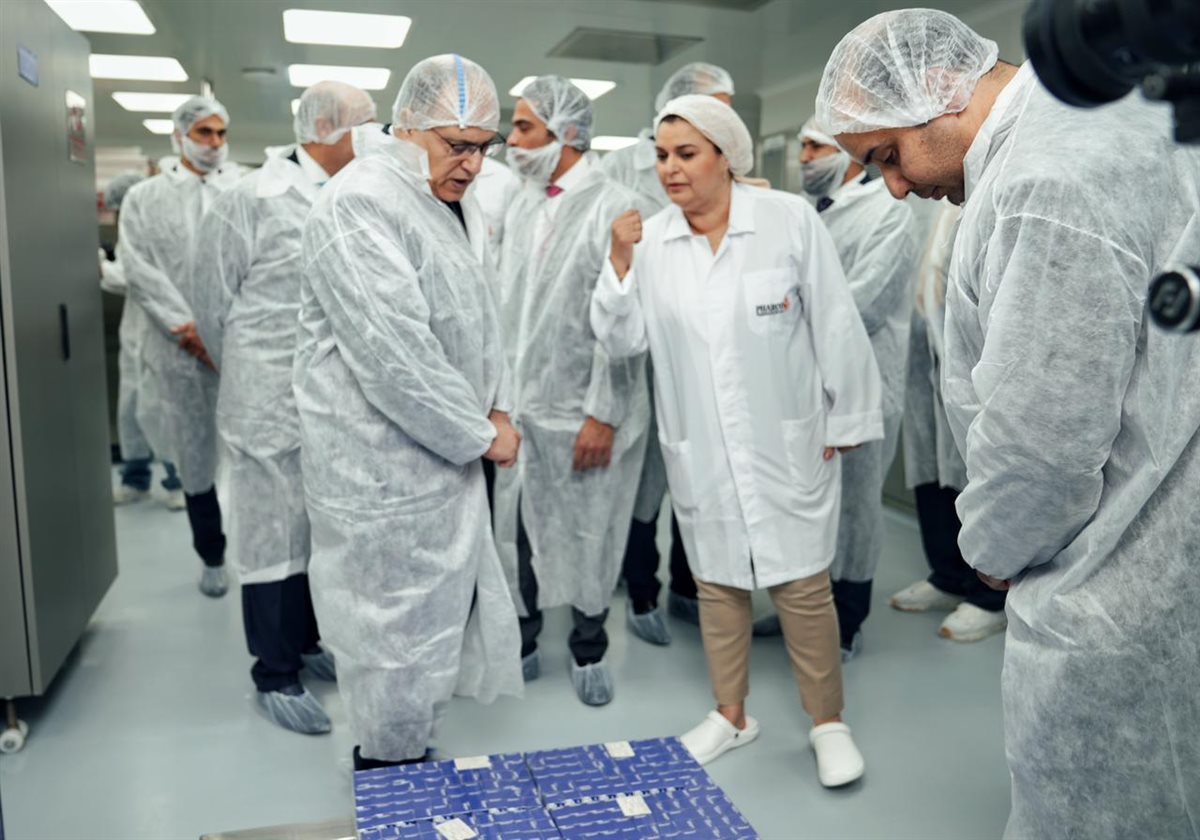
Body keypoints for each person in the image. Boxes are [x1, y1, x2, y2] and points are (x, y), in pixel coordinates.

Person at [817, 9, 1200, 837]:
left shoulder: (1041, 180)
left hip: (1111, 580)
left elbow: (1044, 442)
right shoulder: (1092, 130)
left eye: (888, 156)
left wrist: (993, 550)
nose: (894, 187)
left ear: (940, 89)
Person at [591, 95, 879, 788]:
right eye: (662, 156)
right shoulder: (653, 241)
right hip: (701, 445)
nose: (669, 169)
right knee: (717, 584)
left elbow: (835, 322)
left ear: (727, 157)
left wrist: (846, 418)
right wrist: (619, 261)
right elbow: (622, 340)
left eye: (686, 154)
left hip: (787, 437)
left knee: (802, 585)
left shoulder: (787, 220)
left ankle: (828, 722)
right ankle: (731, 715)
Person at [295, 54, 523, 770]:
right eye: (458, 145)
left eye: (483, 147)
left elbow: (480, 318)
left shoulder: (444, 199)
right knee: (389, 644)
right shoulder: (359, 203)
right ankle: (388, 774)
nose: (473, 165)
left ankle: (408, 758)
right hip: (381, 473)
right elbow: (396, 357)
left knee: (424, 640)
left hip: (438, 462)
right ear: (407, 128)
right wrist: (482, 432)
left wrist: (497, 406)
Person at [190, 81, 377, 735]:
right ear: (327, 129)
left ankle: (302, 640)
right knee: (271, 531)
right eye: (365, 125)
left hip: (329, 399)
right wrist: (246, 373)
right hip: (265, 398)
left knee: (313, 527)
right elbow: (209, 301)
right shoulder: (251, 199)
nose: (375, 138)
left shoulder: (356, 193)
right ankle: (273, 671)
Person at [492, 76, 655, 706]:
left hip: (583, 409)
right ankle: (525, 639)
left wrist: (603, 415)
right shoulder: (522, 204)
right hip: (522, 406)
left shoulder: (617, 206)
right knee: (519, 528)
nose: (512, 140)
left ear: (565, 134)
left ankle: (590, 647)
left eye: (524, 127)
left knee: (591, 529)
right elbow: (508, 311)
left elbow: (625, 324)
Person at [753, 119, 918, 660]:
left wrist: (785, 318)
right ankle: (799, 611)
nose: (804, 156)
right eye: (802, 146)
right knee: (804, 502)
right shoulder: (801, 213)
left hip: (862, 386)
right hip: (801, 385)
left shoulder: (888, 213)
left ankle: (846, 621)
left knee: (854, 507)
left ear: (849, 153)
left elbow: (862, 305)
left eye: (815, 146)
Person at [601, 61, 736, 640]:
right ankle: (641, 591)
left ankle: (688, 585)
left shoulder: (726, 167)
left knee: (699, 475)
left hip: (699, 351)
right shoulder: (617, 168)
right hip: (638, 352)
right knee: (642, 482)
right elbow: (608, 265)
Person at [119, 96, 240, 598]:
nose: (214, 143)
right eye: (203, 133)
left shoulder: (243, 189)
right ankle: (211, 555)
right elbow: (138, 268)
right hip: (179, 352)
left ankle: (260, 557)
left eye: (220, 133)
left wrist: (226, 333)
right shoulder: (145, 198)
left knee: (253, 457)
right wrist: (188, 330)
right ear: (179, 136)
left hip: (240, 348)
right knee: (194, 457)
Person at [893, 200, 1007, 641]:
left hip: (971, 356)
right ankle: (947, 574)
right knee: (930, 464)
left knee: (972, 470)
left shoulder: (993, 192)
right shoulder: (926, 199)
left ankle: (989, 597)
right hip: (927, 351)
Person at [102, 171, 186, 511]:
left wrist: (102, 269)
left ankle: (179, 480)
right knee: (131, 408)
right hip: (133, 330)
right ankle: (135, 479)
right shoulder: (129, 232)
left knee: (161, 409)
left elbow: (132, 277)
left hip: (160, 329)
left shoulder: (156, 229)